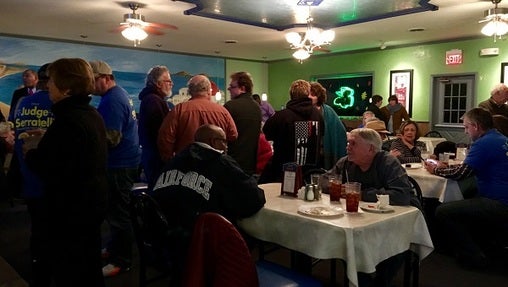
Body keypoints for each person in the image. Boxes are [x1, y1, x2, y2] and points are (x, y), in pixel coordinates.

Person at [24, 58, 108, 287]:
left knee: (72, 271)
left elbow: (53, 169)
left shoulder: (68, 120)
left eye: (51, 80)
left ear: (67, 86)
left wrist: (31, 151)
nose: (47, 85)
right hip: (91, 204)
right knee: (89, 267)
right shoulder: (91, 114)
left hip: (72, 211)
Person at [152, 124, 266, 284]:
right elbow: (253, 200)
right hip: (199, 245)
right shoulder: (220, 162)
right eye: (224, 142)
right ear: (213, 142)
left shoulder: (175, 160)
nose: (227, 146)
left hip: (160, 240)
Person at [322, 128, 417, 287]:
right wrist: (336, 187)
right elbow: (325, 180)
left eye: (353, 143)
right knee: (350, 242)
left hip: (396, 220)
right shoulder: (346, 162)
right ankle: (361, 280)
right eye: (348, 143)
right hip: (360, 220)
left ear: (371, 149)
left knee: (396, 243)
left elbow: (401, 195)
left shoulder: (388, 162)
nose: (348, 147)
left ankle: (379, 282)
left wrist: (362, 194)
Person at [424, 108, 508, 269]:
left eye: (466, 127)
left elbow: (460, 173)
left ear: (476, 126)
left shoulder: (483, 143)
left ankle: (473, 255)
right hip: (501, 196)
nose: (465, 131)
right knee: (466, 194)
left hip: (499, 202)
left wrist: (435, 169)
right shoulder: (500, 138)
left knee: (443, 210)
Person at [89, 60, 141, 277]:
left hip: (119, 164)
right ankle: (113, 249)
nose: (91, 85)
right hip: (126, 162)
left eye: (93, 80)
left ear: (106, 78)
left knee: (118, 214)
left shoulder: (111, 101)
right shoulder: (118, 95)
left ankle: (123, 260)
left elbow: (111, 138)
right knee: (116, 211)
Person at [13, 63, 54, 286]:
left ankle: (39, 273)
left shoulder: (22, 102)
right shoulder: (56, 105)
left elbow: (16, 130)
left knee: (37, 230)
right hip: (52, 182)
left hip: (28, 176)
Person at [158, 74, 238, 162]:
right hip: (215, 165)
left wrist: (170, 160)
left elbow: (165, 138)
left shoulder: (179, 110)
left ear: (190, 91)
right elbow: (233, 135)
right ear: (209, 90)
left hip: (186, 164)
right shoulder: (223, 111)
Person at [261, 79, 324, 183]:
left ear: (291, 95)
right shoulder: (318, 115)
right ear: (308, 94)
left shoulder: (282, 116)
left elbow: (267, 132)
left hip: (284, 172)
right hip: (310, 173)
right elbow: (320, 136)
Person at [138, 65, 173, 191]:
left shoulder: (151, 99)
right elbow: (159, 131)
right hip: (156, 157)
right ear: (158, 83)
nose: (171, 84)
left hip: (150, 156)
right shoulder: (154, 101)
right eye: (168, 81)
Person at [224, 72, 261, 175]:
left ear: (242, 88)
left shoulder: (230, 106)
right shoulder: (256, 107)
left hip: (231, 162)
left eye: (232, 86)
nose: (229, 89)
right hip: (250, 163)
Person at [309, 81, 347, 169]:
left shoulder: (328, 111)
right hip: (311, 153)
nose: (310, 97)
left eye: (313, 95)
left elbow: (340, 133)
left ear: (319, 97)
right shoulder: (305, 111)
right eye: (308, 94)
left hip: (324, 152)